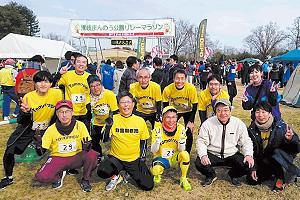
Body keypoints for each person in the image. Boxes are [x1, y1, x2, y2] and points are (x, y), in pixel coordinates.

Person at [0, 71, 63, 189]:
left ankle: (57, 175)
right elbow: (21, 120)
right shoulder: (29, 97)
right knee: (11, 149)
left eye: (46, 81)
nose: (43, 84)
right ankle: (8, 178)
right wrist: (26, 112)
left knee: (54, 151)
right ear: (34, 84)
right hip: (29, 128)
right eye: (39, 81)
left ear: (51, 84)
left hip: (47, 129)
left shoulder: (57, 93)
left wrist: (59, 74)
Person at [35, 100, 98, 192]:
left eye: (67, 111)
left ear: (72, 112)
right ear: (57, 114)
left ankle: (85, 179)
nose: (64, 115)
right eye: (61, 112)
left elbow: (87, 143)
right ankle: (58, 176)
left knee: (92, 155)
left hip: (76, 156)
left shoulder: (80, 125)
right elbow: (41, 152)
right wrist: (38, 146)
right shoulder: (51, 129)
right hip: (58, 157)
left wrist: (87, 147)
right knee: (41, 177)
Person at [97, 92, 154, 191]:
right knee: (102, 171)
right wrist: (108, 126)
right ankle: (116, 176)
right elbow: (104, 140)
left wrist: (142, 157)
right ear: (118, 105)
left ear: (133, 104)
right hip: (116, 158)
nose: (126, 105)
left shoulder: (140, 121)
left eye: (128, 102)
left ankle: (128, 173)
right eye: (123, 102)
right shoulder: (113, 119)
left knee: (148, 185)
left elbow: (144, 141)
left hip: (133, 159)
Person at [195, 99, 254, 187]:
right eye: (219, 110)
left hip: (231, 154)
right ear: (215, 112)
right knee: (199, 162)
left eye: (226, 110)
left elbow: (246, 141)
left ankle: (233, 175)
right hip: (213, 154)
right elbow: (201, 141)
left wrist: (248, 155)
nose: (223, 113)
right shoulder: (207, 123)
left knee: (247, 164)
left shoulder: (238, 123)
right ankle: (211, 175)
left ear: (230, 111)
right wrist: (203, 155)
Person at [247, 102, 300, 192]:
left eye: (264, 112)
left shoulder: (281, 126)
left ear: (270, 114)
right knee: (252, 180)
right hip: (265, 159)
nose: (260, 115)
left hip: (280, 158)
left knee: (276, 153)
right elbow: (251, 150)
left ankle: (281, 177)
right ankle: (274, 173)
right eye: (257, 112)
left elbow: (296, 148)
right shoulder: (252, 129)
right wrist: (253, 168)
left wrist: (290, 139)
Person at [151, 106, 192, 191]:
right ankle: (158, 173)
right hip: (161, 157)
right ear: (163, 118)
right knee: (155, 171)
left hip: (174, 157)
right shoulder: (157, 129)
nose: (171, 120)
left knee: (185, 155)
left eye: (173, 117)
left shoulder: (180, 128)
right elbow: (153, 150)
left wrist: (181, 142)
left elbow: (181, 150)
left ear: (177, 118)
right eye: (168, 117)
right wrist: (157, 141)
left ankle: (183, 178)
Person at [162, 69, 198, 154]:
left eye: (182, 78)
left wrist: (191, 121)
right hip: (175, 111)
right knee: (169, 129)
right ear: (173, 79)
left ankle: (187, 153)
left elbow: (195, 105)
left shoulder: (191, 88)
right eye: (177, 78)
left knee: (189, 131)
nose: (180, 81)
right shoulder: (168, 89)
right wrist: (168, 118)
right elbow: (165, 104)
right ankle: (169, 150)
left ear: (185, 79)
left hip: (188, 111)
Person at [54, 54, 91, 129]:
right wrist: (59, 73)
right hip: (70, 111)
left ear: (86, 66)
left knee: (83, 134)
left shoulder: (90, 76)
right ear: (74, 64)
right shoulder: (67, 75)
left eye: (84, 62)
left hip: (85, 111)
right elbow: (54, 84)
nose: (81, 64)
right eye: (78, 62)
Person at [87, 75, 118, 160]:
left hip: (108, 122)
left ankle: (114, 156)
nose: (96, 88)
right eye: (92, 86)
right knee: (94, 141)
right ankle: (98, 156)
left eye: (98, 85)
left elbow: (115, 111)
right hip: (95, 122)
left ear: (101, 84)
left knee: (108, 141)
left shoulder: (109, 94)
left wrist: (110, 124)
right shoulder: (87, 97)